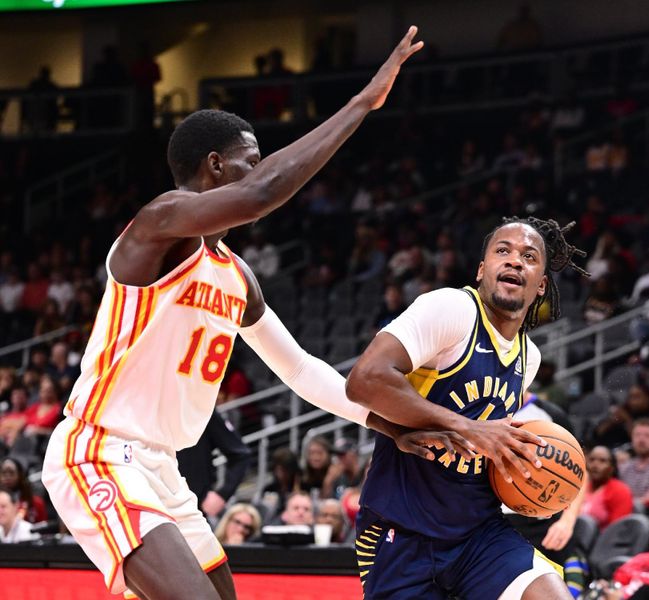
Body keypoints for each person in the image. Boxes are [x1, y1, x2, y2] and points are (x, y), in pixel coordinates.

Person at [41, 29, 452, 600]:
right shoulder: (159, 224)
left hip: (162, 468)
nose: (258, 170)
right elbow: (263, 193)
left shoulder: (237, 276)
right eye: (248, 161)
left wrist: (386, 423)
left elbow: (303, 371)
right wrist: (362, 103)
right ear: (214, 165)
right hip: (99, 452)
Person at [346, 217, 590, 600]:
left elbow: (489, 449)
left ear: (541, 284)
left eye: (528, 256)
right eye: (503, 251)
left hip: (479, 532)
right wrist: (469, 428)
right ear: (482, 270)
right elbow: (364, 380)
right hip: (403, 529)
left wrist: (527, 478)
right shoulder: (452, 309)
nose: (514, 261)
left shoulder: (530, 358)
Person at [176, 408, 251, 524]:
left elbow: (241, 455)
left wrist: (222, 494)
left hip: (191, 511)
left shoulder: (200, 408)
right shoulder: (147, 410)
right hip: (150, 506)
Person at [580, 446, 634, 531]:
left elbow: (616, 531)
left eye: (602, 461)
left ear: (612, 467)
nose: (595, 465)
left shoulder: (620, 491)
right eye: (591, 460)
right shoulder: (580, 486)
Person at [0, 457, 47, 524]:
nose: (7, 476)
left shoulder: (37, 503)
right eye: (4, 473)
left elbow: (42, 529)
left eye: (11, 472)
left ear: (20, 475)